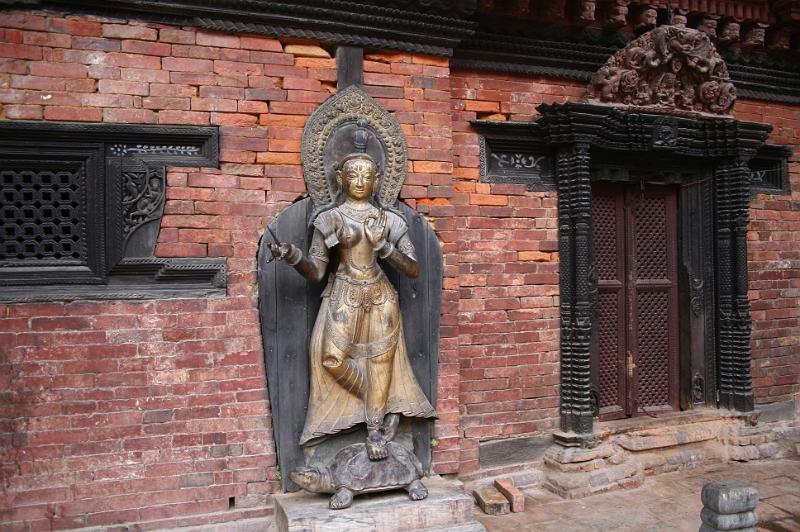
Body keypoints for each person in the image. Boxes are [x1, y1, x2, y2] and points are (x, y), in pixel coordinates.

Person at [269, 150, 435, 460]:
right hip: (344, 293)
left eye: (366, 175)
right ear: (340, 178)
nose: (360, 181)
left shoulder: (390, 220)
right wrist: (293, 256)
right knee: (331, 358)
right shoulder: (329, 219)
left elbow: (414, 269)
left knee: (380, 363)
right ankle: (380, 403)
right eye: (353, 174)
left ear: (377, 180)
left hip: (380, 297)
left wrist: (383, 246)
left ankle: (374, 430)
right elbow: (317, 272)